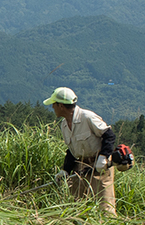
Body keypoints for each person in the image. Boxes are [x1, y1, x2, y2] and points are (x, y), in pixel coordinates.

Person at [45, 86, 117, 216]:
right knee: (76, 204)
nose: (52, 107)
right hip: (81, 167)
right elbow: (72, 150)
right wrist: (65, 170)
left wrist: (103, 157)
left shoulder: (87, 117)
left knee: (105, 206)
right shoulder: (64, 125)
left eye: (54, 104)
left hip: (100, 166)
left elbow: (109, 135)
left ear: (61, 106)